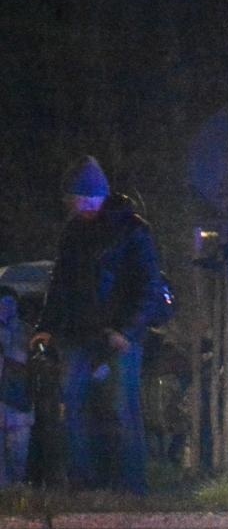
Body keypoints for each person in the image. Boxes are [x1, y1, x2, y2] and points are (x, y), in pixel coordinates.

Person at [33, 156, 167, 494]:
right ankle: (84, 480)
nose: (70, 205)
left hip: (116, 335)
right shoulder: (74, 232)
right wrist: (46, 325)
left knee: (122, 408)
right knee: (74, 404)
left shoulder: (132, 230)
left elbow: (148, 286)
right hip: (79, 333)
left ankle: (131, 484)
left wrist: (127, 330)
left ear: (89, 195)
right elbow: (61, 283)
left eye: (74, 197)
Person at [0, 286, 34, 485]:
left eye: (11, 303)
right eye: (3, 302)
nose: (7, 308)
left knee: (18, 454)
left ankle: (17, 492)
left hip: (18, 403)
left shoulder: (28, 332)